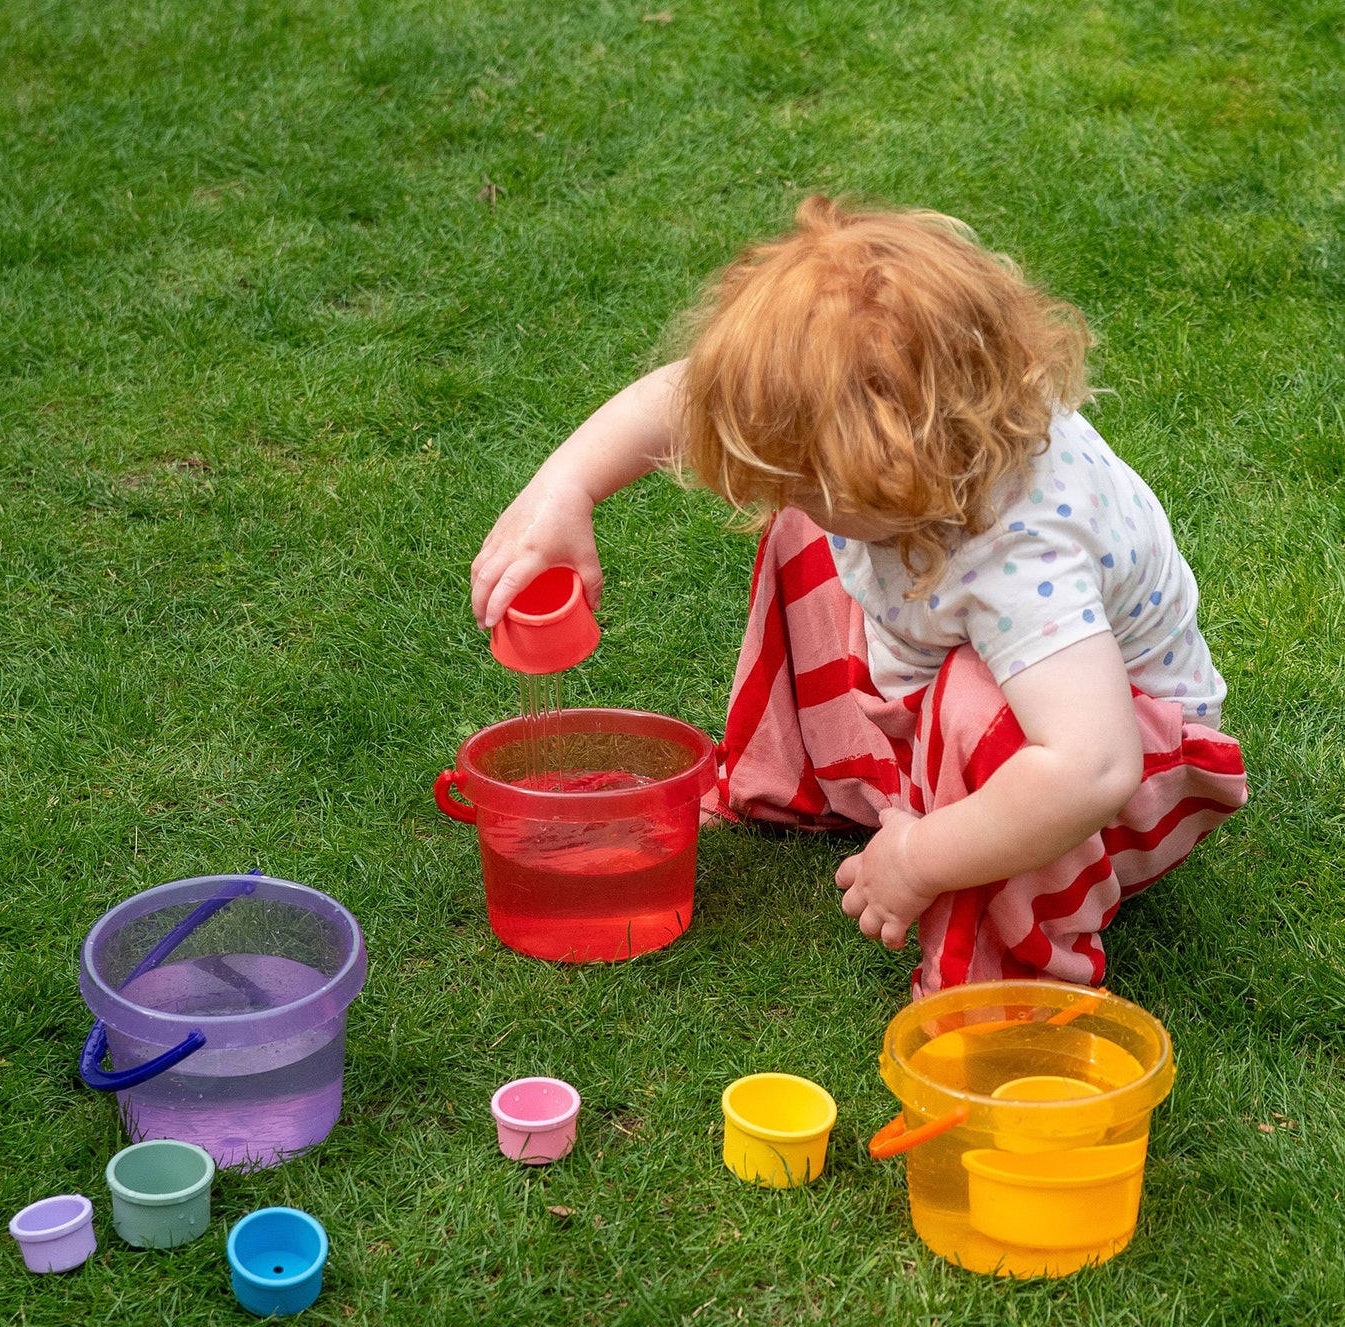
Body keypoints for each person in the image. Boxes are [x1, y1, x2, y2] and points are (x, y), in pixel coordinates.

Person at [470, 197, 1247, 995]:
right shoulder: (935, 437)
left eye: (809, 479)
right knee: (803, 538)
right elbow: (685, 398)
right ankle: (792, 787)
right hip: (998, 702)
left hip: (1107, 791)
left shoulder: (1021, 559)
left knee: (980, 711)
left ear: (902, 464)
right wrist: (562, 489)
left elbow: (1090, 768)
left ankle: (1002, 994)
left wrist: (917, 857)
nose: (786, 491)